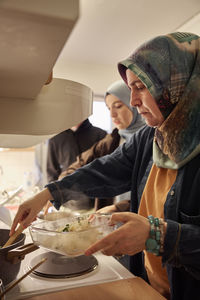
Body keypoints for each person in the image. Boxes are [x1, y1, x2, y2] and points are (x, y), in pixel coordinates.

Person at [10, 32, 200, 300]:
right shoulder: (151, 136)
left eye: (141, 87)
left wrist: (158, 235)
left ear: (177, 83)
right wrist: (49, 192)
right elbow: (108, 167)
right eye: (130, 88)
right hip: (151, 287)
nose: (134, 101)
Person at [59, 80, 145, 210]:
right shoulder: (112, 140)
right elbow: (83, 162)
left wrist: (119, 208)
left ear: (133, 103)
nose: (112, 114)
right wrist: (57, 187)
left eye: (118, 106)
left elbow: (149, 192)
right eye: (109, 108)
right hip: (111, 219)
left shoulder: (151, 140)